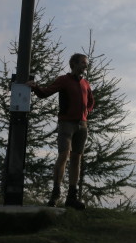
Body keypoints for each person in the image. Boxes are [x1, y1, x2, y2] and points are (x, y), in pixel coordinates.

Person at [28, 53, 94, 210]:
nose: (86, 66)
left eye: (86, 63)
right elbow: (45, 93)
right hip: (66, 124)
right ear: (73, 64)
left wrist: (87, 112)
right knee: (64, 155)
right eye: (83, 63)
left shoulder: (85, 83)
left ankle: (71, 197)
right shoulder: (63, 80)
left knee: (77, 158)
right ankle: (55, 194)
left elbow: (91, 101)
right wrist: (35, 87)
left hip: (82, 126)